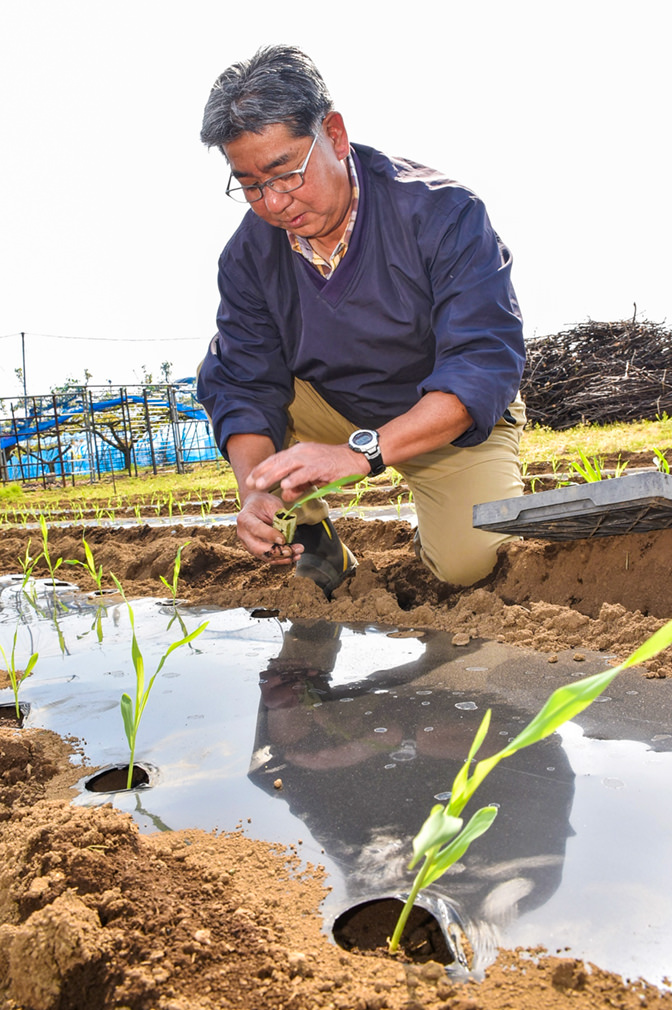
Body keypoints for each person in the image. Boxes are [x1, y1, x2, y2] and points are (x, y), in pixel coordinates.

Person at [197, 45, 526, 598]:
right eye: (250, 185)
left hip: (445, 420)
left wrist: (360, 454)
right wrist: (256, 493)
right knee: (247, 405)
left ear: (335, 134)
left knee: (473, 563)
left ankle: (439, 528)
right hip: (332, 408)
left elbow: (481, 362)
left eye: (286, 173)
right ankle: (313, 536)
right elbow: (244, 382)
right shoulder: (248, 257)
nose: (274, 202)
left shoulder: (442, 213)